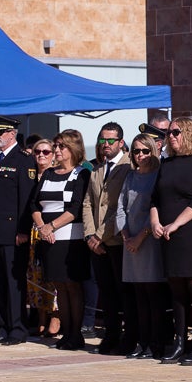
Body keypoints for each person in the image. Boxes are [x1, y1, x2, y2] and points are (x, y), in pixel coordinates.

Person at [150, 117, 192, 365]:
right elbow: (154, 198)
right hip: (167, 233)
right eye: (169, 134)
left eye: (176, 132)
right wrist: (156, 222)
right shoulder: (167, 163)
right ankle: (179, 342)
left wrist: (176, 224)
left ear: (188, 133)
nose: (171, 136)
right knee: (176, 289)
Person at [0, 116, 37, 346]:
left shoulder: (23, 160)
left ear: (12, 134)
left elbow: (26, 199)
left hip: (12, 233)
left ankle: (17, 328)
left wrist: (23, 230)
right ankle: (3, 325)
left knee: (13, 284)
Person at [32, 130, 91, 351]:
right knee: (59, 287)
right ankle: (67, 333)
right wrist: (42, 226)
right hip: (49, 240)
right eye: (55, 146)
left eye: (60, 147)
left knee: (72, 286)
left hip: (71, 240)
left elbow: (75, 208)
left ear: (73, 149)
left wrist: (52, 225)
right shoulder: (48, 174)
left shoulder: (81, 174)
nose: (56, 150)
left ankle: (75, 334)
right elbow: (34, 204)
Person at [83, 122, 135, 355]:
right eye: (102, 140)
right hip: (96, 243)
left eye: (110, 140)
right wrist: (89, 236)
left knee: (124, 293)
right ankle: (110, 336)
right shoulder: (97, 169)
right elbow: (88, 203)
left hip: (116, 240)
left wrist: (100, 235)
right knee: (106, 293)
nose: (105, 144)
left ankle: (128, 338)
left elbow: (122, 207)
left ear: (121, 142)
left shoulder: (129, 167)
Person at [116, 133, 169, 359]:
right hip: (131, 244)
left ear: (153, 151)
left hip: (149, 242)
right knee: (138, 297)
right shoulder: (130, 176)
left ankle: (155, 343)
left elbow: (157, 208)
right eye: (136, 151)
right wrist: (126, 235)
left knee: (153, 296)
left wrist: (140, 237)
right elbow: (121, 207)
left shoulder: (159, 175)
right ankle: (142, 341)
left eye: (145, 151)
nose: (140, 155)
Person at [27, 139, 59, 338]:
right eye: (37, 151)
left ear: (53, 154)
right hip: (33, 231)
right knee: (35, 275)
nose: (41, 155)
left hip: (53, 228)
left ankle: (56, 318)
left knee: (53, 276)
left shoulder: (55, 175)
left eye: (46, 152)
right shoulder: (30, 176)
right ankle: (40, 318)